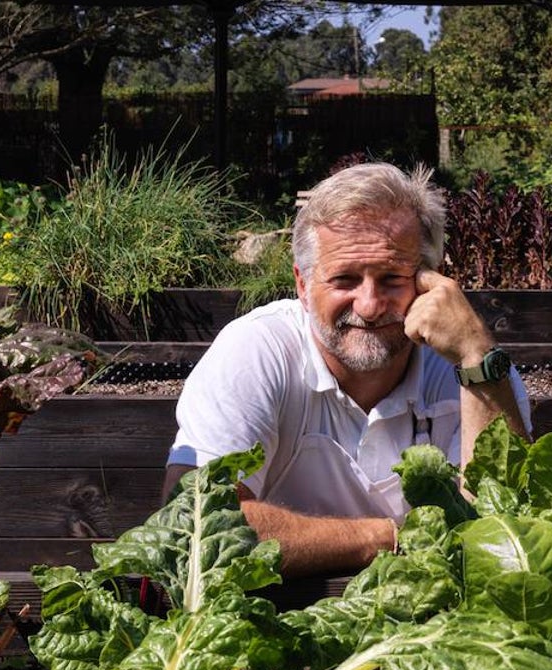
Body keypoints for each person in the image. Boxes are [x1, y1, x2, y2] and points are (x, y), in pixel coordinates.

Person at [163, 162, 532, 579]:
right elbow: (193, 525)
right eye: (345, 279)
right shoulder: (257, 350)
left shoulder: (474, 366)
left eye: (392, 278)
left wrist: (476, 358)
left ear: (431, 281)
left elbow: (500, 534)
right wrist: (384, 538)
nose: (369, 305)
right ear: (302, 285)